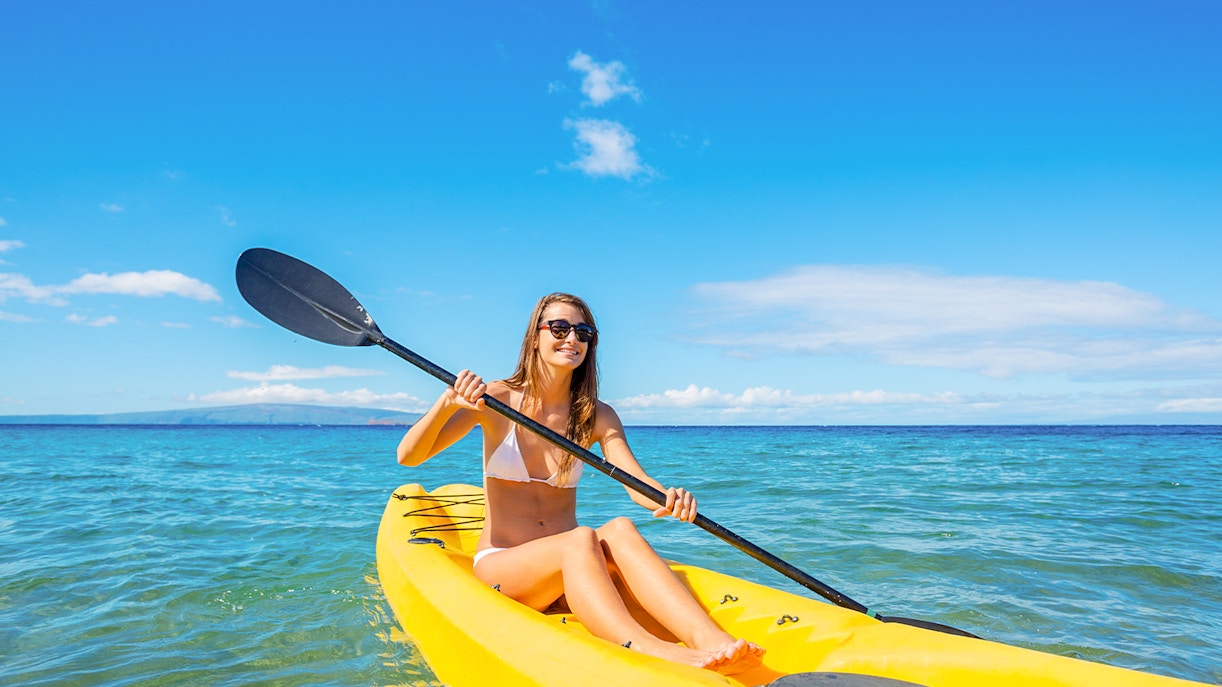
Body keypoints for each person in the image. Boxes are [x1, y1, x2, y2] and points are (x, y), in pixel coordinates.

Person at [397, 292, 764, 673]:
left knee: (619, 529)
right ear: (535, 337)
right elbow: (408, 456)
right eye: (559, 328)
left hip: (572, 571)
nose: (572, 338)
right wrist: (447, 404)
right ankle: (648, 648)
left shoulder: (596, 415)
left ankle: (712, 641)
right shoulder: (496, 398)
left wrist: (669, 498)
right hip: (505, 567)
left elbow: (634, 480)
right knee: (580, 538)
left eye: (583, 332)